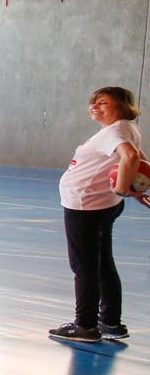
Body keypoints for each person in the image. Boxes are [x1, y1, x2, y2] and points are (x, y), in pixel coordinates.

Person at [50, 86, 144, 343]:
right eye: (93, 103)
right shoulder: (125, 129)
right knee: (102, 263)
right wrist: (137, 190)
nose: (95, 107)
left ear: (123, 105)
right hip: (101, 204)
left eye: (103, 102)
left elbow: (131, 156)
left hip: (86, 206)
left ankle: (85, 325)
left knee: (84, 267)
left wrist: (124, 187)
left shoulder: (115, 131)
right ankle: (111, 322)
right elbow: (140, 162)